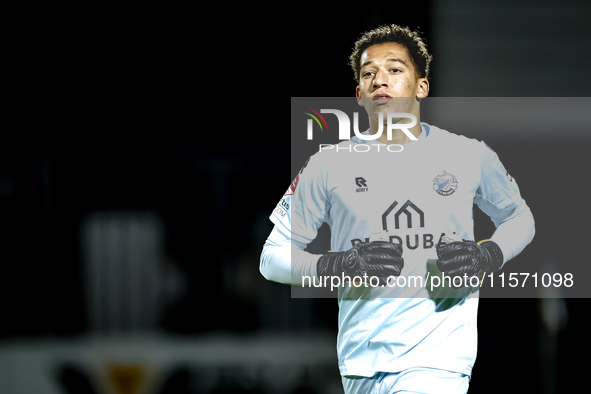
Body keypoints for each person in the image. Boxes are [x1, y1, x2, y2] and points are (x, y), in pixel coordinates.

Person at [260, 24, 535, 394]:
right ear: (358, 94)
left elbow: (520, 218)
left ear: (421, 86)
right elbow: (271, 258)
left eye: (394, 68)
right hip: (360, 363)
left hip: (437, 363)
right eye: (368, 73)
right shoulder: (327, 165)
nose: (379, 79)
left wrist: (488, 256)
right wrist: (341, 264)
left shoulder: (470, 155)